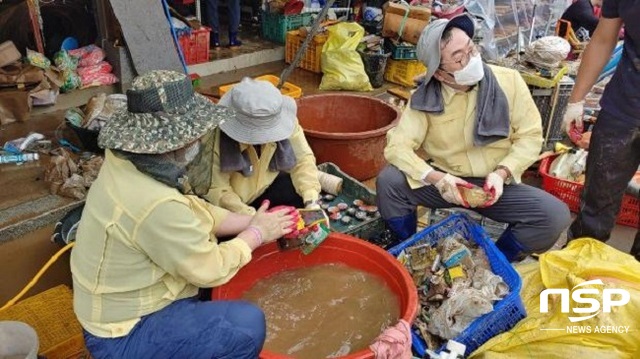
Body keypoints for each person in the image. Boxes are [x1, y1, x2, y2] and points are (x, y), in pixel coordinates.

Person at [70, 70, 295, 359]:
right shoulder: (155, 203)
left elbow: (194, 209)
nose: (200, 138)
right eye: (195, 135)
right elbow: (209, 268)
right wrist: (256, 235)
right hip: (122, 333)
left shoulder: (129, 161)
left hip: (114, 303)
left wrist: (250, 221)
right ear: (176, 142)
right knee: (246, 326)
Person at [376, 14, 571, 262]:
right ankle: (406, 252)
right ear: (439, 74)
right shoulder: (425, 97)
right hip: (449, 183)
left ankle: (493, 263)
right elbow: (397, 148)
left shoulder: (508, 81)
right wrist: (438, 179)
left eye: (471, 48)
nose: (472, 59)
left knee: (554, 215)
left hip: (496, 185)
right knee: (389, 182)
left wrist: (502, 173)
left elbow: (530, 137)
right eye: (459, 58)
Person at [562, 0, 640, 261]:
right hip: (622, 109)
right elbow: (604, 39)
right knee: (597, 203)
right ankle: (577, 267)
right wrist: (576, 100)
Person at [204, 77, 322, 214]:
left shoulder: (286, 122)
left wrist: (311, 200)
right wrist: (253, 219)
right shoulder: (212, 141)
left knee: (298, 192)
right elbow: (218, 191)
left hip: (263, 190)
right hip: (228, 206)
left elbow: (302, 160)